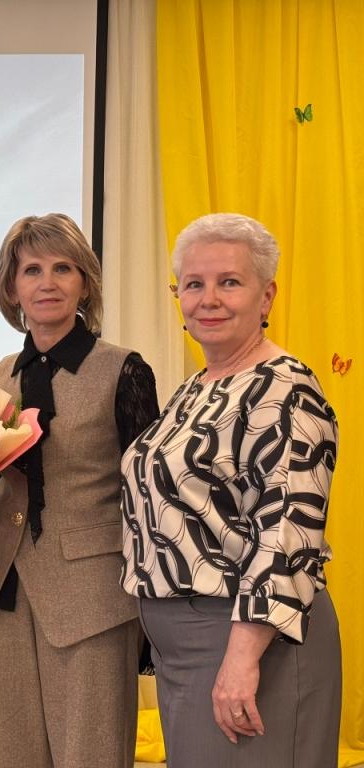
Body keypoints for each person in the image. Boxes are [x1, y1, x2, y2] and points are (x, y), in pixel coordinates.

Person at [121, 213, 341, 766]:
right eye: (194, 284)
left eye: (230, 282)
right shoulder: (197, 387)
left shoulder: (286, 388)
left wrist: (242, 658)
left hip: (252, 640)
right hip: (187, 646)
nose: (209, 299)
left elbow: (287, 532)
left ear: (267, 296)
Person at [0, 213, 159, 768]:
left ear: (85, 283)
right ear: (11, 288)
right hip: (1, 596)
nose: (47, 283)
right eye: (32, 270)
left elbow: (148, 497)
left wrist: (152, 606)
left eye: (63, 268)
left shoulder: (124, 371)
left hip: (93, 599)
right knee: (12, 757)